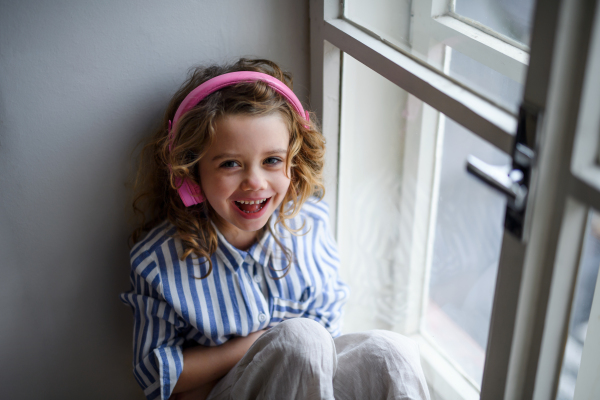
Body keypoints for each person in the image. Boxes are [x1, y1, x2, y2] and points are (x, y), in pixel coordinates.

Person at [120, 58, 431, 400]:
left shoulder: (310, 225)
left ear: (293, 163)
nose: (255, 182)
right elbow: (158, 374)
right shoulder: (158, 262)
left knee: (391, 351)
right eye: (230, 164)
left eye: (272, 161)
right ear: (191, 173)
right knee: (299, 338)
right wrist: (259, 344)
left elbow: (329, 332)